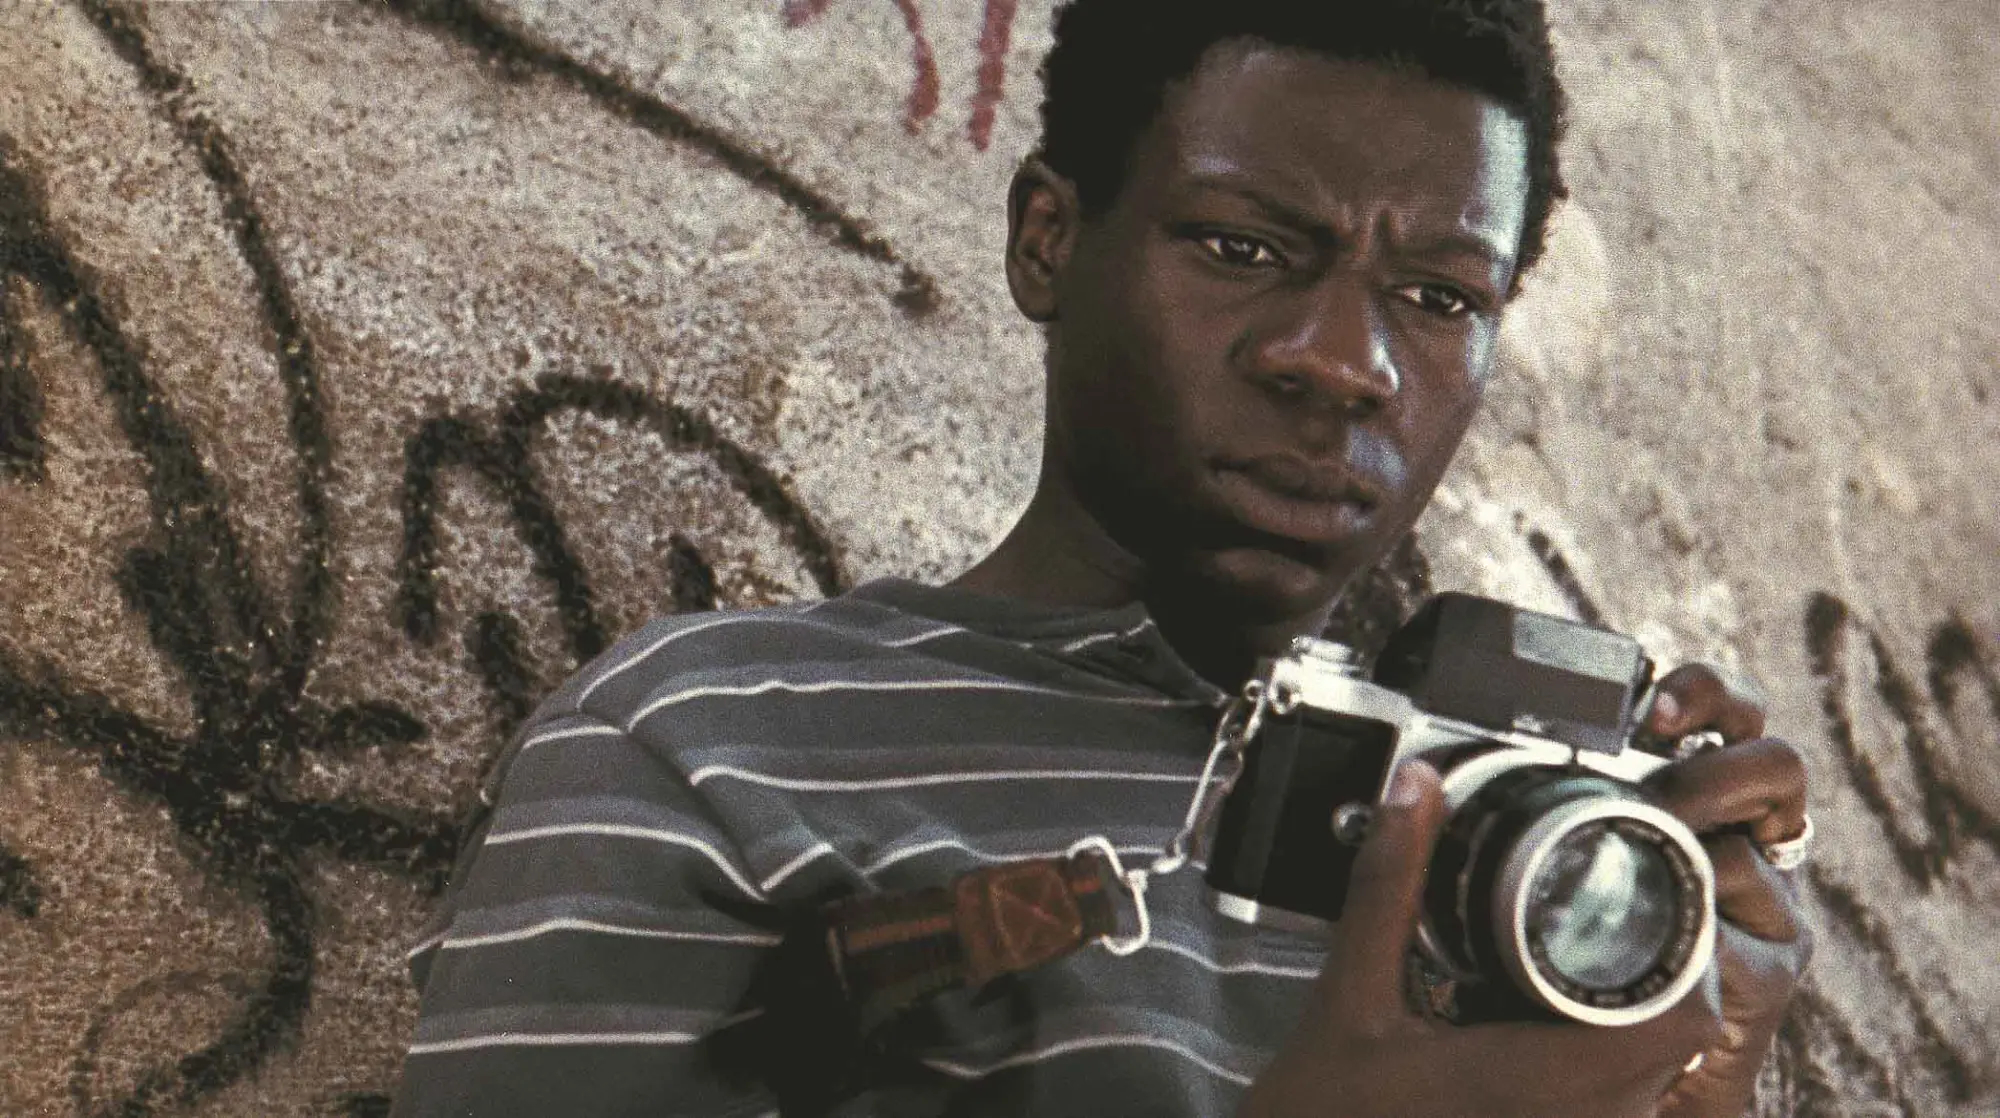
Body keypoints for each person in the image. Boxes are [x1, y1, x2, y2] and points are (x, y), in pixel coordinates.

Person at [390, 1, 1813, 1114]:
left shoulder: (1557, 868)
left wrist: (1697, 1062)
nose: (1344, 360)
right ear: (1050, 242)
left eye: (1440, 295)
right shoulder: (704, 750)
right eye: (1245, 249)